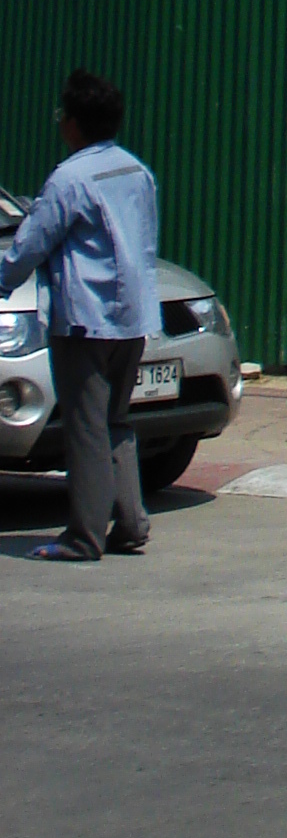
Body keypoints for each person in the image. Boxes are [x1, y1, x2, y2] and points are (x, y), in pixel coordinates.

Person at [0, 69, 163, 564]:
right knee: (115, 421)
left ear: (74, 123)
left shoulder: (69, 178)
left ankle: (84, 536)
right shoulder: (136, 171)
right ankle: (130, 525)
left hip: (85, 319)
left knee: (86, 427)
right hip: (132, 317)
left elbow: (31, 243)